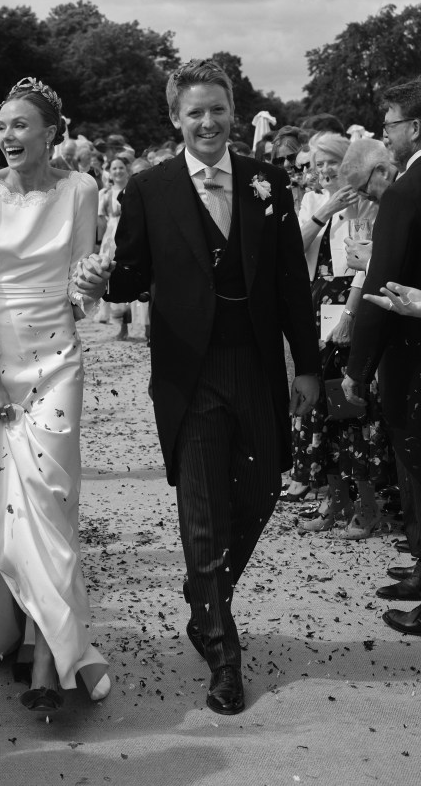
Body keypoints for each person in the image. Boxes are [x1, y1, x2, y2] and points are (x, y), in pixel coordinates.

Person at [76, 59, 319, 715]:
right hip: (190, 371)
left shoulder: (269, 183)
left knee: (265, 486)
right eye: (194, 112)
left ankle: (203, 591)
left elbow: (293, 283)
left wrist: (312, 366)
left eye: (217, 109)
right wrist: (105, 281)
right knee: (204, 510)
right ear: (175, 119)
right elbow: (132, 274)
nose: (207, 122)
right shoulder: (151, 189)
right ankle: (221, 649)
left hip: (258, 362)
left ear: (232, 112)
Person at [0, 77, 110, 714]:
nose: (8, 137)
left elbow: (79, 287)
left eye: (21, 125)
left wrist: (93, 283)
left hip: (57, 355)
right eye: (3, 125)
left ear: (50, 132)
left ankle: (47, 655)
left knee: (47, 496)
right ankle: (16, 626)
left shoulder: (81, 188)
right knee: (3, 499)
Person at [343, 78, 421, 638]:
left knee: (417, 462)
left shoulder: (409, 189)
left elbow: (382, 284)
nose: (385, 135)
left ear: (415, 128)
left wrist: (358, 366)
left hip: (413, 348)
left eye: (390, 124)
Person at [287, 134, 389, 539]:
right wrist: (325, 210)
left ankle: (366, 506)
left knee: (352, 411)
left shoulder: (371, 203)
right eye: (316, 164)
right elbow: (290, 252)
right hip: (316, 312)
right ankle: (333, 501)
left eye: (330, 162)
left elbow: (366, 264)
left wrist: (349, 314)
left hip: (352, 309)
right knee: (320, 413)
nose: (323, 171)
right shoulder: (315, 204)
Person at [97, 156, 131, 339]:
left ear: (127, 169)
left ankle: (131, 322)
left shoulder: (134, 189)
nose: (117, 171)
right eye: (114, 168)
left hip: (128, 234)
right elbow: (101, 218)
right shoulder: (105, 193)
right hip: (111, 237)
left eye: (120, 167)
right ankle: (118, 323)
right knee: (111, 275)